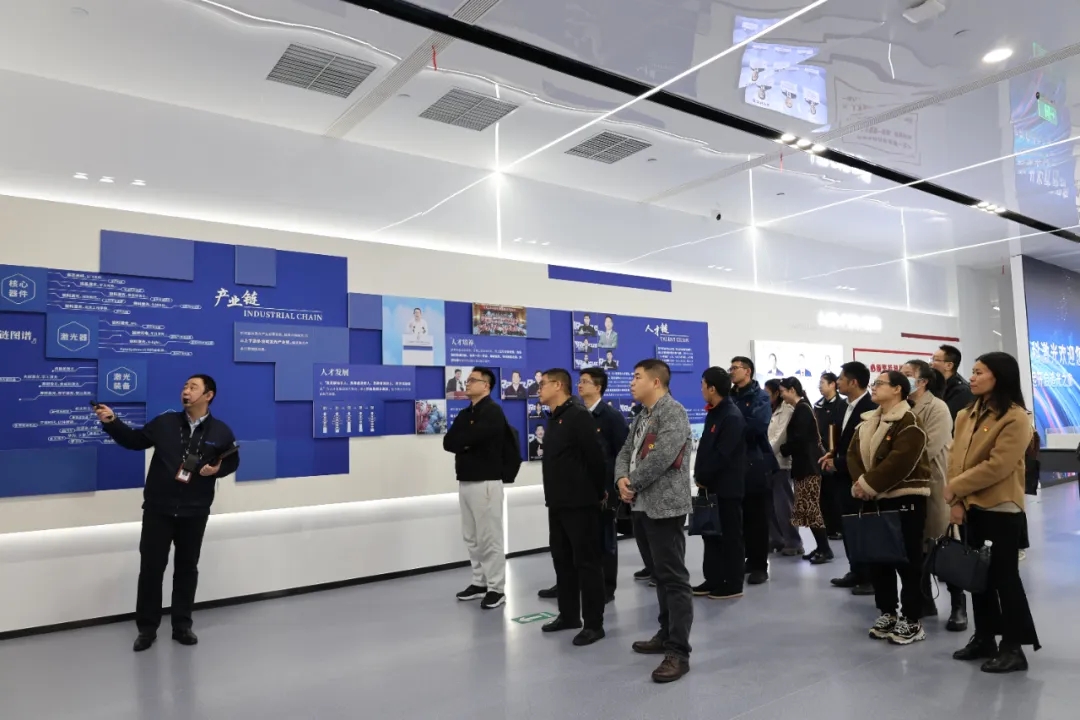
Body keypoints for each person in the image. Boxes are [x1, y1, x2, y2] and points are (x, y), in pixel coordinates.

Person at [94, 374, 240, 652]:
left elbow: (232, 461)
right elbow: (135, 440)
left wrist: (217, 469)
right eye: (185, 386)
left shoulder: (221, 431)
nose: (186, 391)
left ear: (208, 395)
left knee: (187, 569)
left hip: (195, 512)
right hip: (158, 510)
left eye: (193, 387)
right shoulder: (165, 423)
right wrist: (112, 422)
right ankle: (147, 629)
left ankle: (182, 625)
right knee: (151, 569)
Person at [947, 352, 1040, 673]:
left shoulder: (1015, 417)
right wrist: (956, 500)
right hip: (969, 505)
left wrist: (955, 487)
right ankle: (984, 637)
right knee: (978, 578)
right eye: (972, 372)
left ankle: (1013, 648)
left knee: (1004, 578)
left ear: (999, 376)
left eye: (979, 372)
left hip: (1001, 508)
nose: (972, 377)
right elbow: (954, 459)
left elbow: (998, 465)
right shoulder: (965, 415)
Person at [616, 359, 694, 683]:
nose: (632, 382)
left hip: (665, 508)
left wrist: (631, 483)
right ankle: (665, 633)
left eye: (637, 377)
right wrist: (620, 478)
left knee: (673, 579)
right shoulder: (642, 416)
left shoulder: (673, 412)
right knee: (659, 576)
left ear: (656, 382)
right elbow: (625, 452)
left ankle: (678, 652)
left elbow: (662, 457)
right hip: (641, 507)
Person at [847, 370, 931, 646]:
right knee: (879, 559)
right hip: (874, 498)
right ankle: (887, 612)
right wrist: (862, 484)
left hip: (905, 497)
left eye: (880, 384)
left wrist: (868, 484)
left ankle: (912, 618)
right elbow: (853, 454)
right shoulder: (869, 420)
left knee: (908, 561)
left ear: (897, 389)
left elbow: (900, 461)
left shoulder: (909, 421)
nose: (874, 387)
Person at [539, 368, 629, 603]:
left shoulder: (610, 416)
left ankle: (606, 587)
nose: (580, 385)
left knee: (605, 541)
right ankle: (570, 585)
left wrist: (611, 486)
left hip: (602, 489)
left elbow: (621, 454)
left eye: (586, 382)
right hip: (573, 493)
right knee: (571, 547)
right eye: (579, 381)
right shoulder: (568, 414)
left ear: (598, 387)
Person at [534, 369, 608, 646]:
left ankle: (594, 624)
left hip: (580, 503)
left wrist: (597, 493)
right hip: (557, 503)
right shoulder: (555, 418)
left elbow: (596, 458)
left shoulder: (578, 416)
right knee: (562, 560)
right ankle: (568, 615)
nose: (538, 389)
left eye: (543, 384)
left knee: (587, 563)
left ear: (557, 385)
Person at [443, 367, 508, 610]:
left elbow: (475, 438)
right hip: (466, 481)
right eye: (467, 380)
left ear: (486, 386)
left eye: (473, 380)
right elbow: (449, 442)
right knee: (471, 537)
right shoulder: (465, 413)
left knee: (489, 538)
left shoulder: (492, 411)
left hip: (486, 482)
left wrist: (466, 441)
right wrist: (466, 442)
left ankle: (496, 588)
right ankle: (479, 582)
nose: (467, 383)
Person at [901, 360, 961, 622]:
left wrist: (893, 462)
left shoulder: (937, 408)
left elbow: (926, 449)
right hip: (907, 487)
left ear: (923, 381)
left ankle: (958, 605)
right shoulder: (902, 407)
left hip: (934, 486)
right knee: (915, 550)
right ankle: (924, 602)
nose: (902, 379)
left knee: (942, 547)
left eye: (907, 375)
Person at [692, 367, 747, 599]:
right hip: (710, 488)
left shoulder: (731, 416)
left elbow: (723, 455)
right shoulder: (715, 413)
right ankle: (713, 579)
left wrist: (704, 477)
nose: (701, 389)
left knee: (730, 536)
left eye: (703, 384)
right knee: (711, 534)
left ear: (712, 388)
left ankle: (733, 584)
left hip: (727, 489)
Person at [824, 362, 876, 596]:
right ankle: (855, 570)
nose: (838, 382)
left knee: (864, 529)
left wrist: (840, 462)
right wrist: (832, 454)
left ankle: (870, 577)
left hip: (859, 477)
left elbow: (866, 450)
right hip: (842, 476)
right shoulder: (843, 406)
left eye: (841, 379)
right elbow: (840, 439)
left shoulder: (871, 408)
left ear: (853, 382)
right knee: (849, 527)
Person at [729, 356, 774, 585]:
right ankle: (747, 558)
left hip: (754, 462)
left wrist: (732, 427)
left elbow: (757, 426)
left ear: (747, 371)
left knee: (757, 517)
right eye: (730, 367)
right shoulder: (729, 396)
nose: (731, 371)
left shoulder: (760, 396)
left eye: (735, 368)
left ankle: (759, 565)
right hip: (732, 464)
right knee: (740, 518)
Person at [778, 377, 830, 563]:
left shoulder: (802, 409)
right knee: (807, 509)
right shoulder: (802, 408)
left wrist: (783, 449)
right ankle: (821, 547)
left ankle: (825, 549)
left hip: (808, 466)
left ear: (792, 390)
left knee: (811, 509)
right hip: (804, 466)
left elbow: (799, 440)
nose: (782, 395)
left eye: (783, 391)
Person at [766, 378, 803, 556]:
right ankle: (777, 539)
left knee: (784, 506)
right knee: (770, 506)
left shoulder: (787, 409)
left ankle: (793, 542)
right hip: (768, 463)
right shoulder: (770, 410)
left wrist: (765, 454)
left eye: (768, 393)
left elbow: (780, 437)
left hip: (780, 462)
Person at [814, 372, 844, 538]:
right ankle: (827, 527)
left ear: (833, 384)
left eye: (822, 383)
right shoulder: (818, 406)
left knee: (835, 493)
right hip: (819, 454)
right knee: (823, 493)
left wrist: (832, 451)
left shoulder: (842, 405)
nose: (819, 386)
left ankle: (838, 528)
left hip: (835, 453)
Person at [933, 344, 975, 420]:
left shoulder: (962, 391)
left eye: (935, 360)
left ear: (949, 365)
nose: (930, 363)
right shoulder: (936, 385)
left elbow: (946, 418)